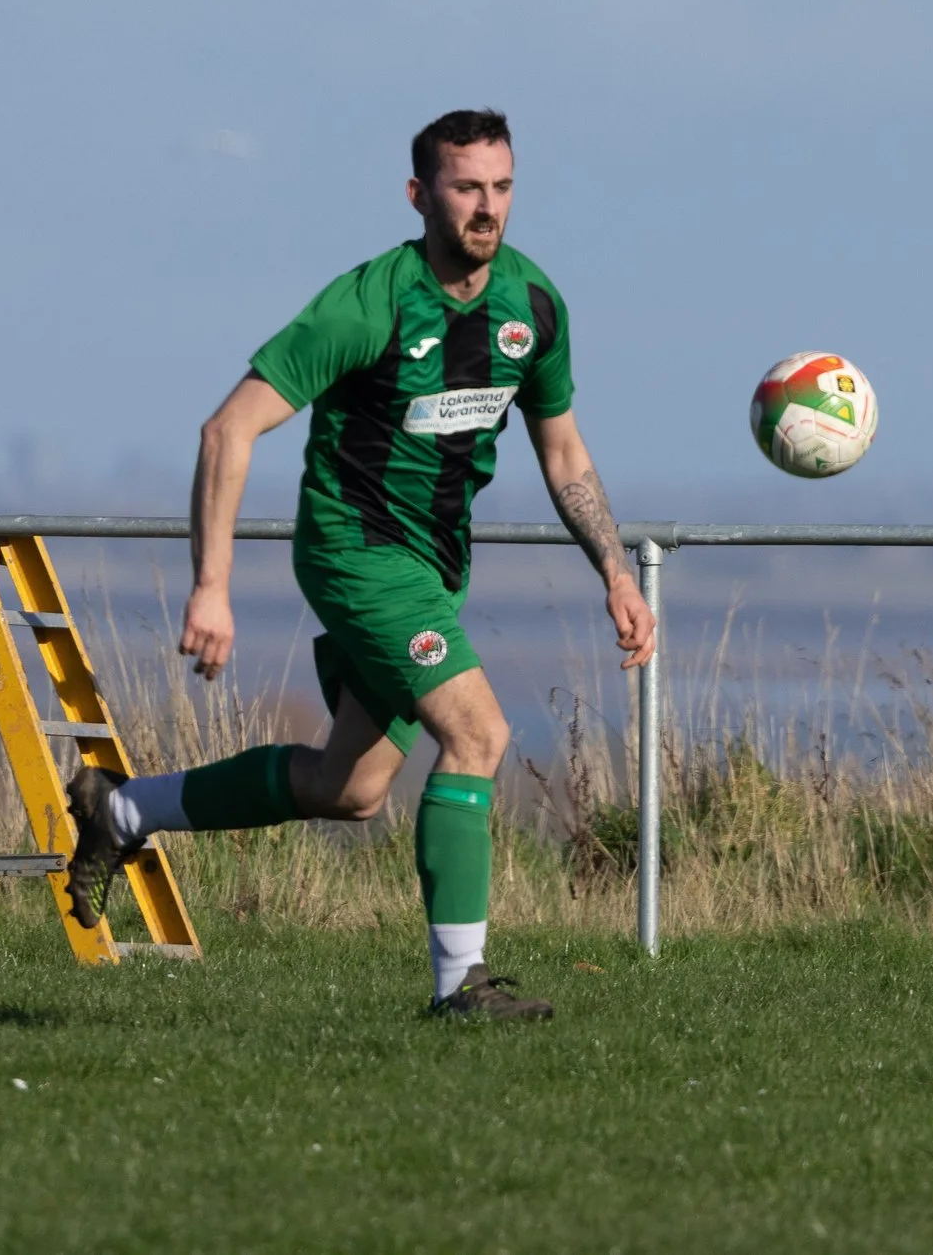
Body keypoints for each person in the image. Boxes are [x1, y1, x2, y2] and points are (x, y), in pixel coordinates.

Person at [65, 109, 654, 1021]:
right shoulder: (371, 302)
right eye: (466, 188)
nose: (486, 207)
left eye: (501, 187)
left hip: (434, 565)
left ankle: (122, 812)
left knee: (351, 788)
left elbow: (565, 454)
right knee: (480, 737)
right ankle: (462, 988)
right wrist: (212, 587)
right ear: (421, 196)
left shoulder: (533, 307)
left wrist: (615, 571)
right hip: (355, 554)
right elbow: (228, 429)